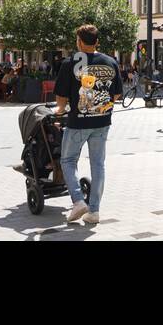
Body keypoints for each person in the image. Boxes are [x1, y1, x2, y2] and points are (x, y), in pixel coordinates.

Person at [52, 23, 122, 225]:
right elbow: (117, 93)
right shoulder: (110, 61)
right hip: (102, 121)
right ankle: (94, 212)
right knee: (98, 164)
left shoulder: (71, 62)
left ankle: (77, 200)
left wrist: (60, 109)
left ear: (80, 41)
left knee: (68, 161)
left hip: (77, 122)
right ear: (97, 41)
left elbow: (62, 96)